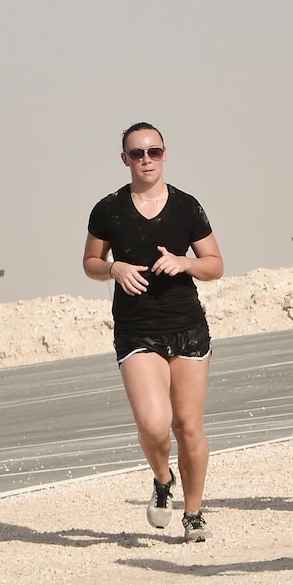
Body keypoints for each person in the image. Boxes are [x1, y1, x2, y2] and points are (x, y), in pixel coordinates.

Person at [83, 123, 224, 542]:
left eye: (154, 152)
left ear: (165, 155)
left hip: (186, 327)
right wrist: (113, 268)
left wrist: (184, 263)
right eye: (137, 153)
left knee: (188, 426)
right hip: (136, 329)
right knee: (153, 423)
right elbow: (90, 261)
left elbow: (215, 264)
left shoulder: (186, 206)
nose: (147, 159)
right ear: (124, 159)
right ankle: (163, 479)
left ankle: (194, 513)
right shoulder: (108, 209)